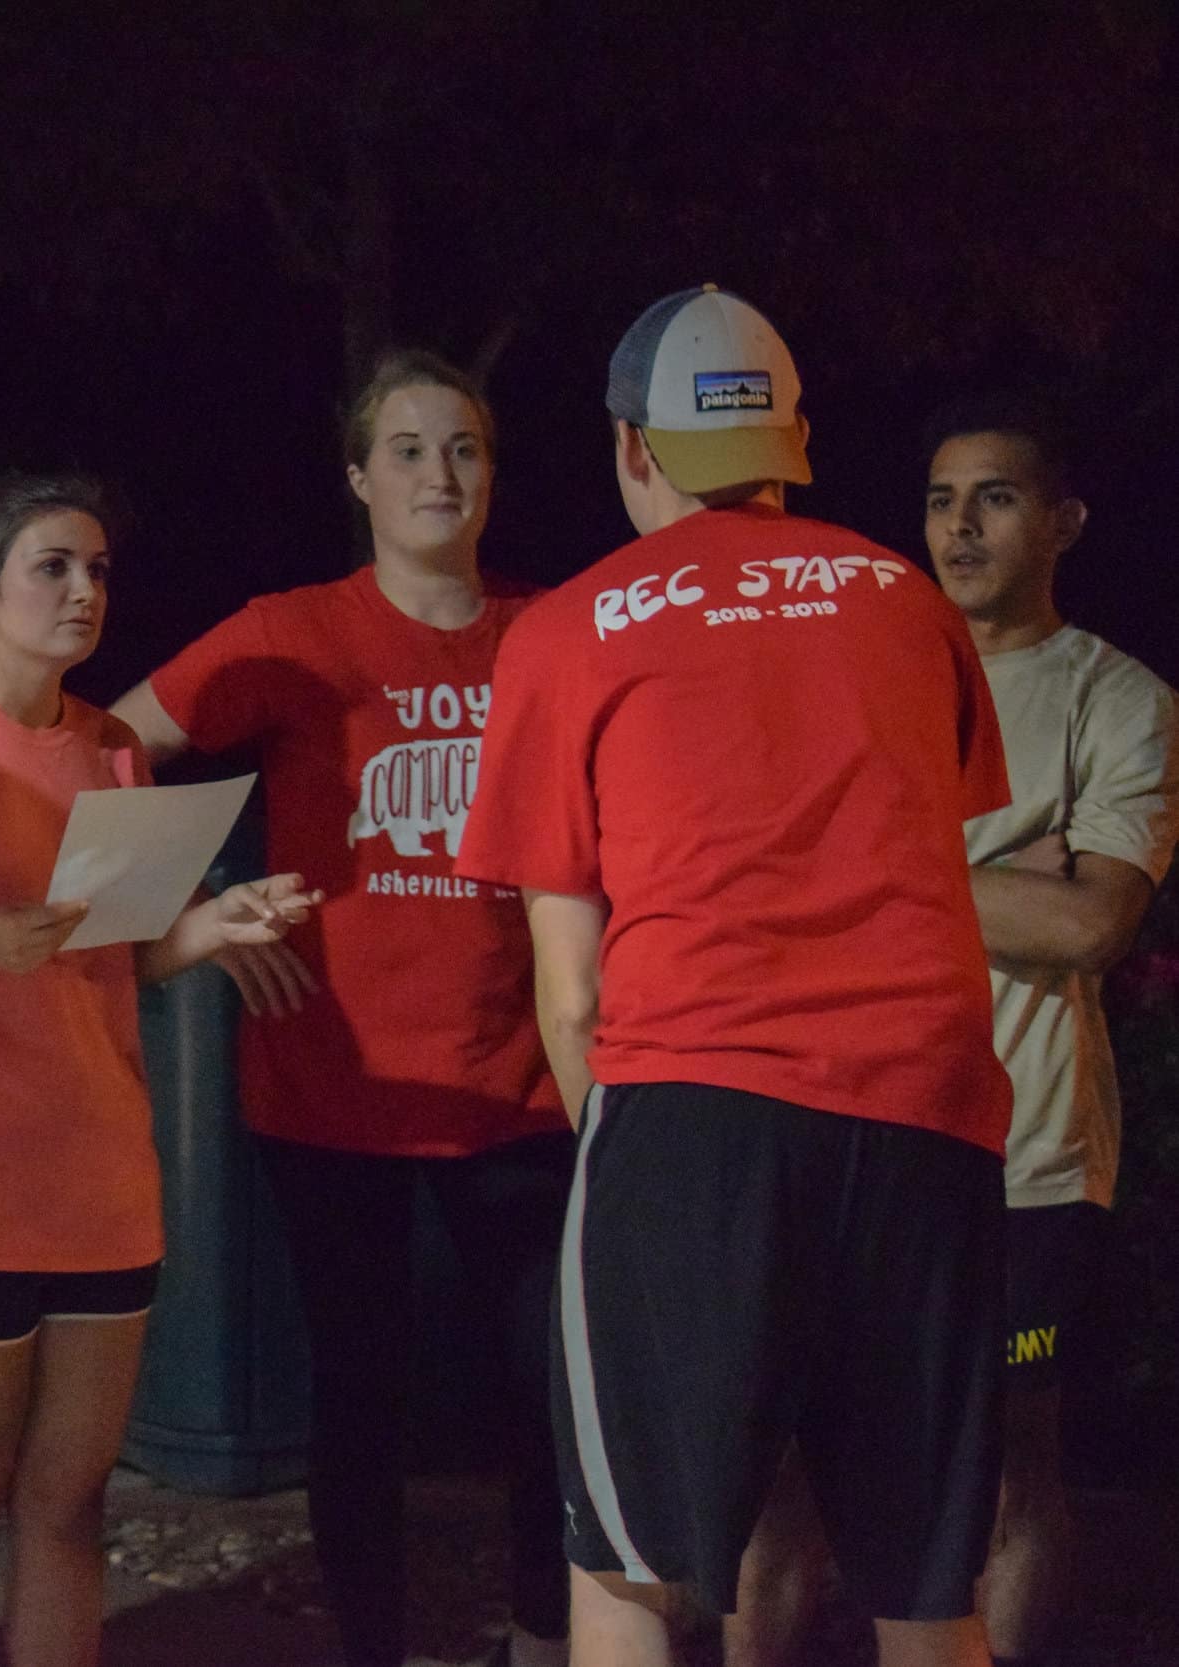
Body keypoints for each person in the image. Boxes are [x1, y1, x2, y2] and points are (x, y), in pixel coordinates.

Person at [457, 285, 1015, 1667]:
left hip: (696, 1110)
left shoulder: (569, 627)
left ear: (632, 449)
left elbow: (569, 984)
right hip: (927, 1111)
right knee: (928, 1583)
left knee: (630, 1573)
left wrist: (635, 1164)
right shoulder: (909, 602)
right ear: (795, 439)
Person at [110, 350, 570, 1667]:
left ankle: (540, 1638)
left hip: (518, 1082)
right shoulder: (294, 628)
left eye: (466, 447)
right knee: (357, 1403)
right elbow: (107, 744)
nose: (441, 471)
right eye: (411, 448)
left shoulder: (549, 631)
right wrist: (201, 905)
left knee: (546, 1394)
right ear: (361, 476)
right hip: (332, 1087)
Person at [0, 473, 318, 1667]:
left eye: (97, 568)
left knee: (66, 1503)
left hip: (100, 1186)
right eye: (54, 566)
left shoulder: (105, 745)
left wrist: (216, 924)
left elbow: (129, 951)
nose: (85, 590)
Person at [729, 399, 1179, 1667]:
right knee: (786, 1487)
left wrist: (881, 865)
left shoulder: (1120, 699)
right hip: (839, 1127)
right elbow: (762, 871)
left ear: (1064, 522)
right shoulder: (858, 664)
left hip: (1022, 1152)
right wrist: (997, 876)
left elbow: (1091, 922)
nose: (959, 524)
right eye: (939, 498)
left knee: (1002, 1479)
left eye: (994, 497)